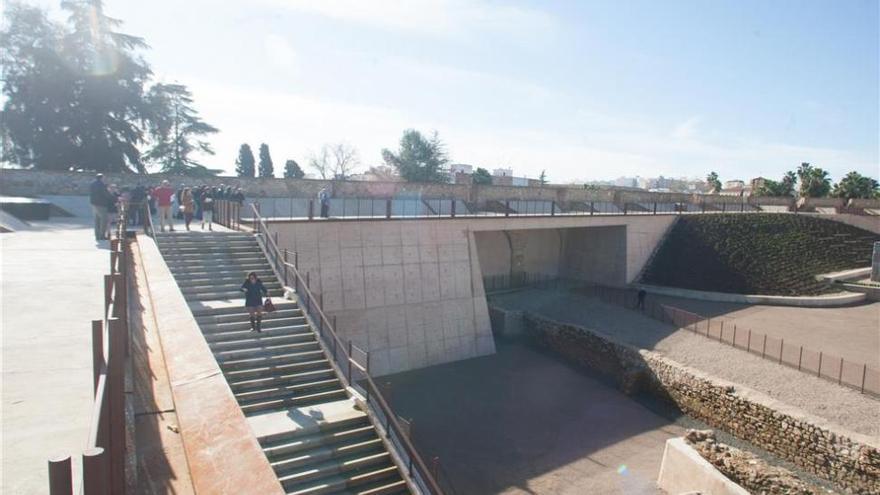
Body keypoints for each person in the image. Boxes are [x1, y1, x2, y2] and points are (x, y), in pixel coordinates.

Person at [89, 174, 112, 241]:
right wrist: (114, 198)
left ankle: (97, 235)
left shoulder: (92, 184)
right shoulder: (101, 185)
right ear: (101, 178)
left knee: (97, 221)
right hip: (101, 204)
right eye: (104, 178)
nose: (105, 179)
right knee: (104, 220)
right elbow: (106, 194)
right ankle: (102, 235)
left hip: (94, 204)